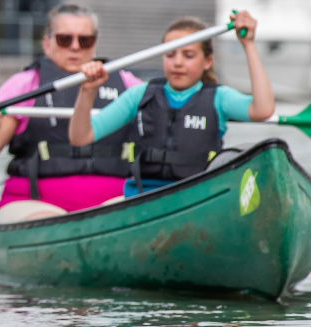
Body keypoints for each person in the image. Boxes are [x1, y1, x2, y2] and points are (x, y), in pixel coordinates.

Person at [0, 4, 144, 222]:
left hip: (113, 203)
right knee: (52, 220)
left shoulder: (127, 84)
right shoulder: (24, 86)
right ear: (47, 44)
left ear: (94, 43)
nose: (75, 47)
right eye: (64, 39)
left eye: (84, 40)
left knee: (124, 213)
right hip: (35, 204)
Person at [69, 12, 273, 197]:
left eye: (188, 55)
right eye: (170, 54)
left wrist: (248, 45)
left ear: (208, 61)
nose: (177, 62)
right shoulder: (140, 94)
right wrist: (88, 91)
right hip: (142, 196)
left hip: (196, 195)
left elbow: (263, 110)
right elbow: (81, 137)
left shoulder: (219, 98)